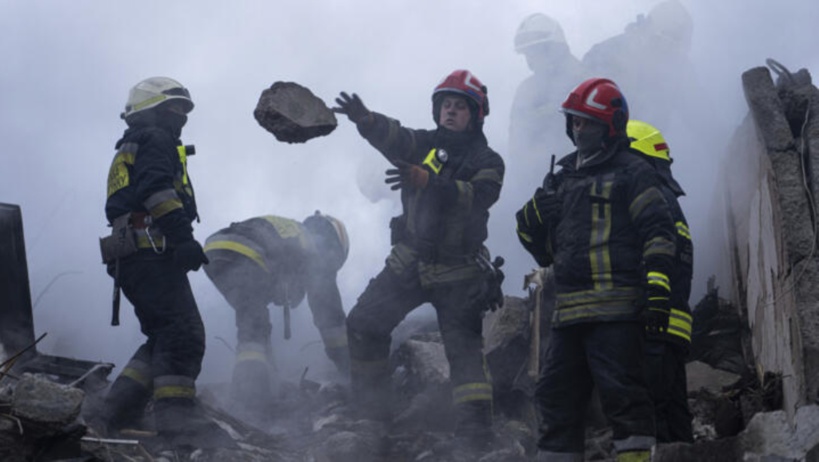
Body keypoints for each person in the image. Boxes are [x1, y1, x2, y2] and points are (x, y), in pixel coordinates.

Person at [333, 69, 505, 448]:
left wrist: (431, 182)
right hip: (409, 261)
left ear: (476, 115)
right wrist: (367, 120)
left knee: (464, 355)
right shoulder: (424, 144)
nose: (450, 111)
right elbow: (397, 137)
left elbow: (478, 197)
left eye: (460, 107)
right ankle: (372, 418)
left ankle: (476, 440)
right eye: (445, 105)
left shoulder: (488, 159)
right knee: (363, 324)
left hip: (459, 269)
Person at [515, 77, 677, 461]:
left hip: (617, 311)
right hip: (569, 314)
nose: (577, 128)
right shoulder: (560, 177)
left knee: (625, 402)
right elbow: (540, 250)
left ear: (610, 126)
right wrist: (536, 215)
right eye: (573, 121)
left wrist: (657, 291)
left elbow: (659, 231)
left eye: (586, 121)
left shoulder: (632, 171)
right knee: (554, 401)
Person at [98, 77, 226, 446]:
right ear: (151, 110)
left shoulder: (134, 143)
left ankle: (115, 411)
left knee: (162, 335)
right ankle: (179, 427)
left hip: (133, 254)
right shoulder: (156, 139)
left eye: (185, 110)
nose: (181, 117)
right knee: (183, 335)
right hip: (149, 250)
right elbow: (156, 191)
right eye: (173, 108)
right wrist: (183, 239)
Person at [202, 212, 351, 408]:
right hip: (247, 254)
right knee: (255, 331)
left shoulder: (295, 233)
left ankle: (256, 387)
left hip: (215, 251)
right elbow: (330, 317)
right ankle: (251, 396)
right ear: (333, 248)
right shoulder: (318, 248)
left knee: (253, 322)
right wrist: (346, 365)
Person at [627, 120, 694, 443]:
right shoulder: (668, 200)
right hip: (671, 326)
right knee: (673, 413)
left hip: (653, 325)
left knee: (651, 414)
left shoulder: (650, 198)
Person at [581, 0, 696, 133]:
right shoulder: (605, 55)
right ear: (648, 31)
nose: (668, 55)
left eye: (675, 49)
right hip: (602, 146)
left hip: (648, 147)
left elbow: (700, 114)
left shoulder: (679, 69)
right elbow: (579, 116)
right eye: (666, 45)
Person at [510, 13, 586, 190]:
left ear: (555, 49)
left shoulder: (584, 81)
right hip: (533, 181)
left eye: (535, 51)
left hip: (580, 180)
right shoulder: (526, 90)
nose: (531, 59)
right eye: (527, 53)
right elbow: (516, 143)